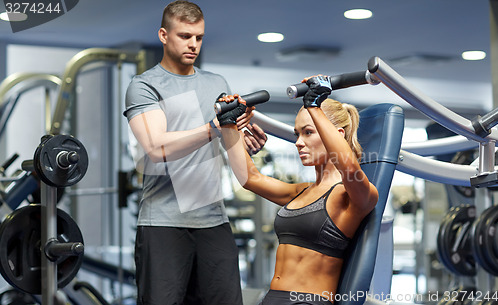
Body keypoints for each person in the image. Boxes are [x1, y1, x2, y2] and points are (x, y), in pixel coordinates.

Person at [123, 1, 267, 304]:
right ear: (164, 35)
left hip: (214, 222)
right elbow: (157, 147)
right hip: (163, 223)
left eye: (199, 37)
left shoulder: (217, 84)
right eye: (185, 36)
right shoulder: (145, 85)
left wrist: (243, 138)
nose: (193, 44)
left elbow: (228, 141)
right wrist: (212, 128)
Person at [218, 75, 379, 305]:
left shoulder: (354, 196)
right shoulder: (300, 192)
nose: (298, 142)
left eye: (308, 132)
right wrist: (228, 124)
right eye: (297, 134)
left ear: (337, 135)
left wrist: (314, 106)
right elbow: (249, 178)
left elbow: (350, 167)